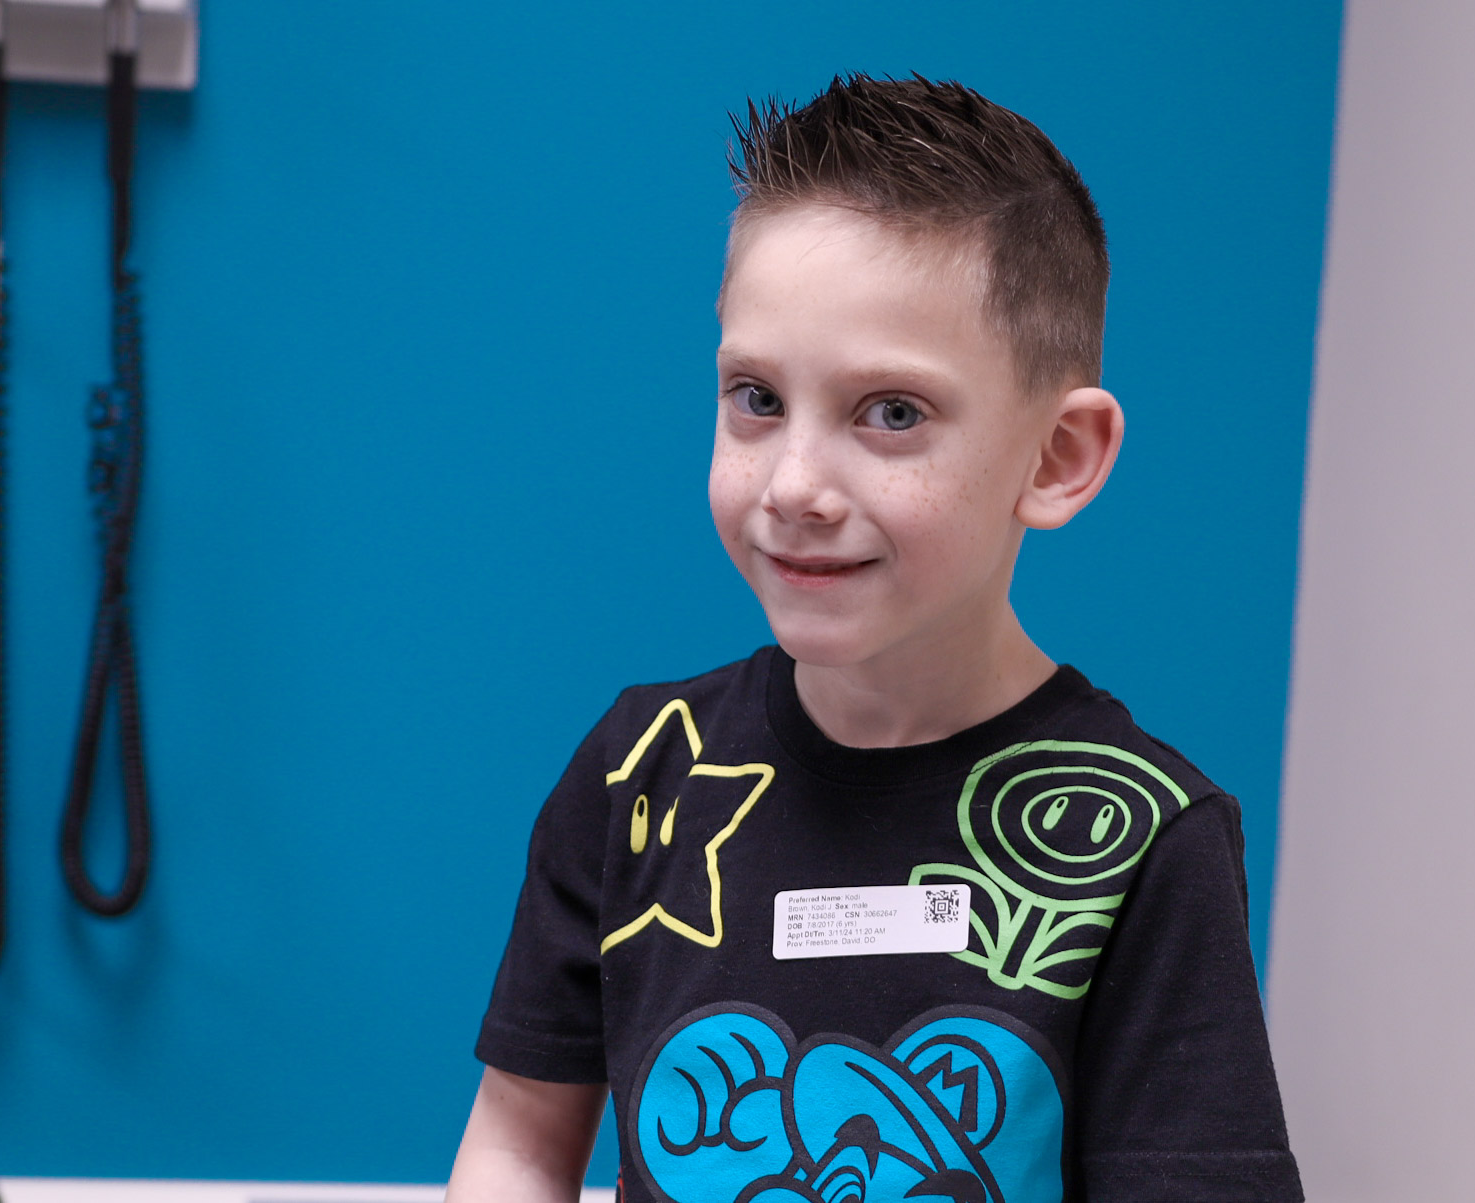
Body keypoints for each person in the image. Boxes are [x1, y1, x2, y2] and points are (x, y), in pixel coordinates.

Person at [446, 75, 1302, 1203]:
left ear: (1056, 458)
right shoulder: (638, 769)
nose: (795, 485)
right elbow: (516, 1145)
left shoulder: (1144, 837)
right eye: (754, 398)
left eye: (889, 413)